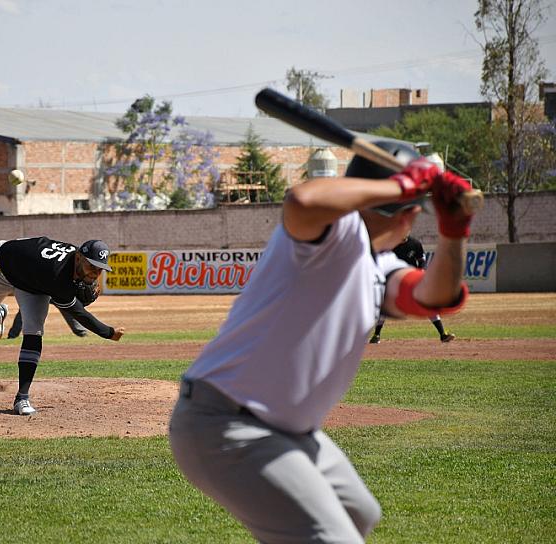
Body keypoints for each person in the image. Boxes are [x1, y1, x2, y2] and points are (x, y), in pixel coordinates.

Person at [169, 140, 474, 543]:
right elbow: (302, 199)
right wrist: (403, 186)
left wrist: (454, 233)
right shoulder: (333, 231)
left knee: (359, 513)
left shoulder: (380, 266)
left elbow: (434, 296)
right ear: (408, 210)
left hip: (289, 431)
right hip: (226, 424)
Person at [0, 237, 124, 415]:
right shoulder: (56, 275)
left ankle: (22, 398)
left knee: (34, 330)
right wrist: (108, 332)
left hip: (34, 285)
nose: (95, 273)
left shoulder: (74, 261)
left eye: (99, 270)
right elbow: (78, 312)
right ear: (78, 258)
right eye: (91, 267)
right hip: (1, 267)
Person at [369, 235, 456, 344]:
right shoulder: (391, 244)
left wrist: (421, 272)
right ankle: (376, 335)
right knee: (384, 307)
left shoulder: (415, 243)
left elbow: (421, 260)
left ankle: (443, 334)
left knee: (425, 304)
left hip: (411, 279)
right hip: (394, 280)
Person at [7, 279, 99, 339]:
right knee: (26, 310)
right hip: (41, 289)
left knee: (67, 308)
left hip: (54, 289)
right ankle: (13, 335)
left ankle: (81, 332)